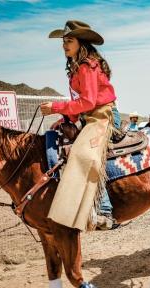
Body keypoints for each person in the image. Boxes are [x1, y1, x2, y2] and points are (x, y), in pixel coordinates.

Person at [40, 20, 117, 230]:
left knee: (85, 153)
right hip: (89, 116)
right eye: (63, 41)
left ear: (80, 43)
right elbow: (81, 104)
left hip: (103, 115)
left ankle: (105, 210)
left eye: (69, 40)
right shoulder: (75, 69)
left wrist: (56, 107)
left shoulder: (87, 66)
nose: (64, 45)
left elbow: (89, 102)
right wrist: (67, 119)